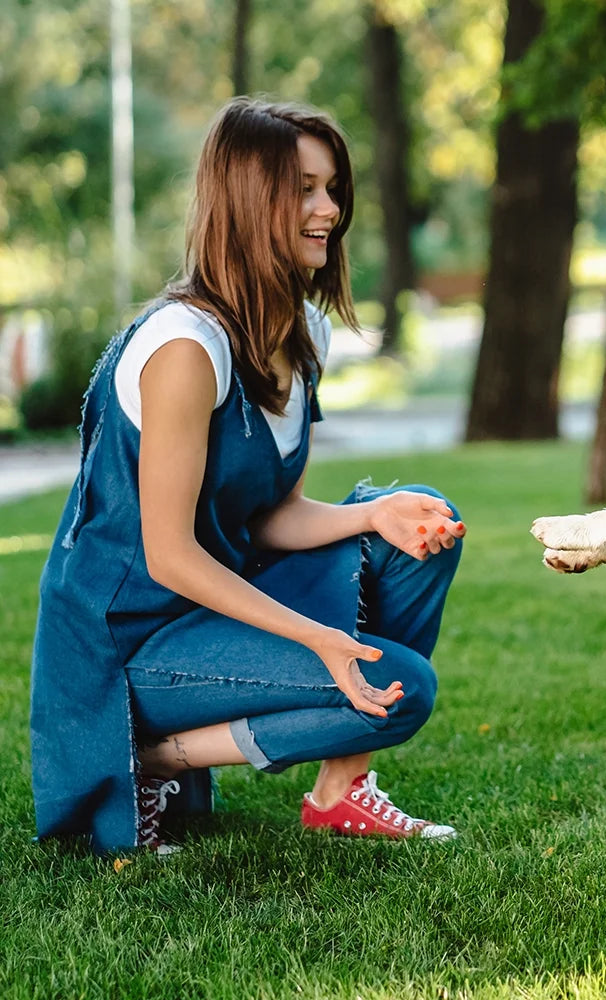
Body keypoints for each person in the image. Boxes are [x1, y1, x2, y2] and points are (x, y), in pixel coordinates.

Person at [29, 97, 465, 856]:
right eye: (304, 188)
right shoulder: (184, 348)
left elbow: (270, 515)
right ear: (245, 200)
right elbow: (167, 554)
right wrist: (321, 638)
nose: (328, 209)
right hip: (130, 643)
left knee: (421, 526)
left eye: (331, 188)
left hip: (215, 603)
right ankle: (150, 755)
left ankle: (341, 792)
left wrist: (374, 515)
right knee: (406, 687)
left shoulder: (300, 331)